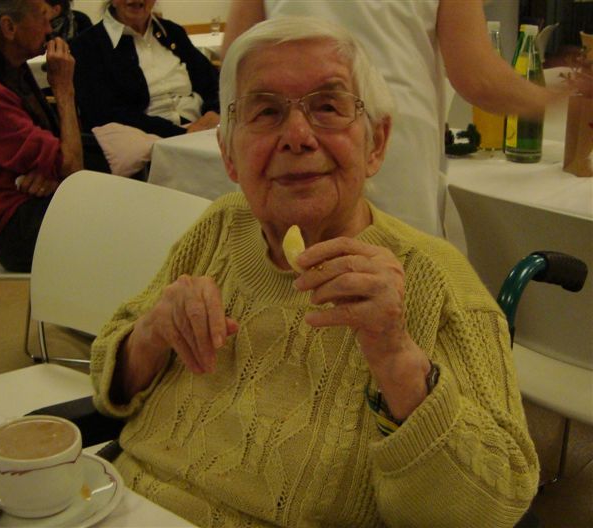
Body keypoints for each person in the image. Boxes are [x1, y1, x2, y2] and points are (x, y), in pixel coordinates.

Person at [90, 16, 539, 528]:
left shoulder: (437, 279)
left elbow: (497, 503)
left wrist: (397, 359)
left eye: (328, 107)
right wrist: (151, 333)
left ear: (376, 143)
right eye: (266, 111)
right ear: (228, 155)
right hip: (115, 506)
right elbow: (108, 378)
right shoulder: (221, 226)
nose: (298, 136)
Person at [222, 0, 569, 237]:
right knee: (395, 287)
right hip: (392, 155)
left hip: (297, 141)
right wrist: (557, 98)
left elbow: (235, 59)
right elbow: (478, 78)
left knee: (284, 282)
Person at [0, 0, 82, 272]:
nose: (49, 29)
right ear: (9, 27)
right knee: (123, 220)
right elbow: (72, 165)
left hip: (43, 204)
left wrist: (55, 175)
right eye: (42, 17)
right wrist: (64, 90)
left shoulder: (11, 72)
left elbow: (65, 163)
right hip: (19, 227)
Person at [70, 0, 220, 138]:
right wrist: (182, 133)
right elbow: (104, 113)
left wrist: (213, 112)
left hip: (202, 129)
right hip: (147, 141)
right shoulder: (88, 46)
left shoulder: (172, 32)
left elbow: (213, 82)